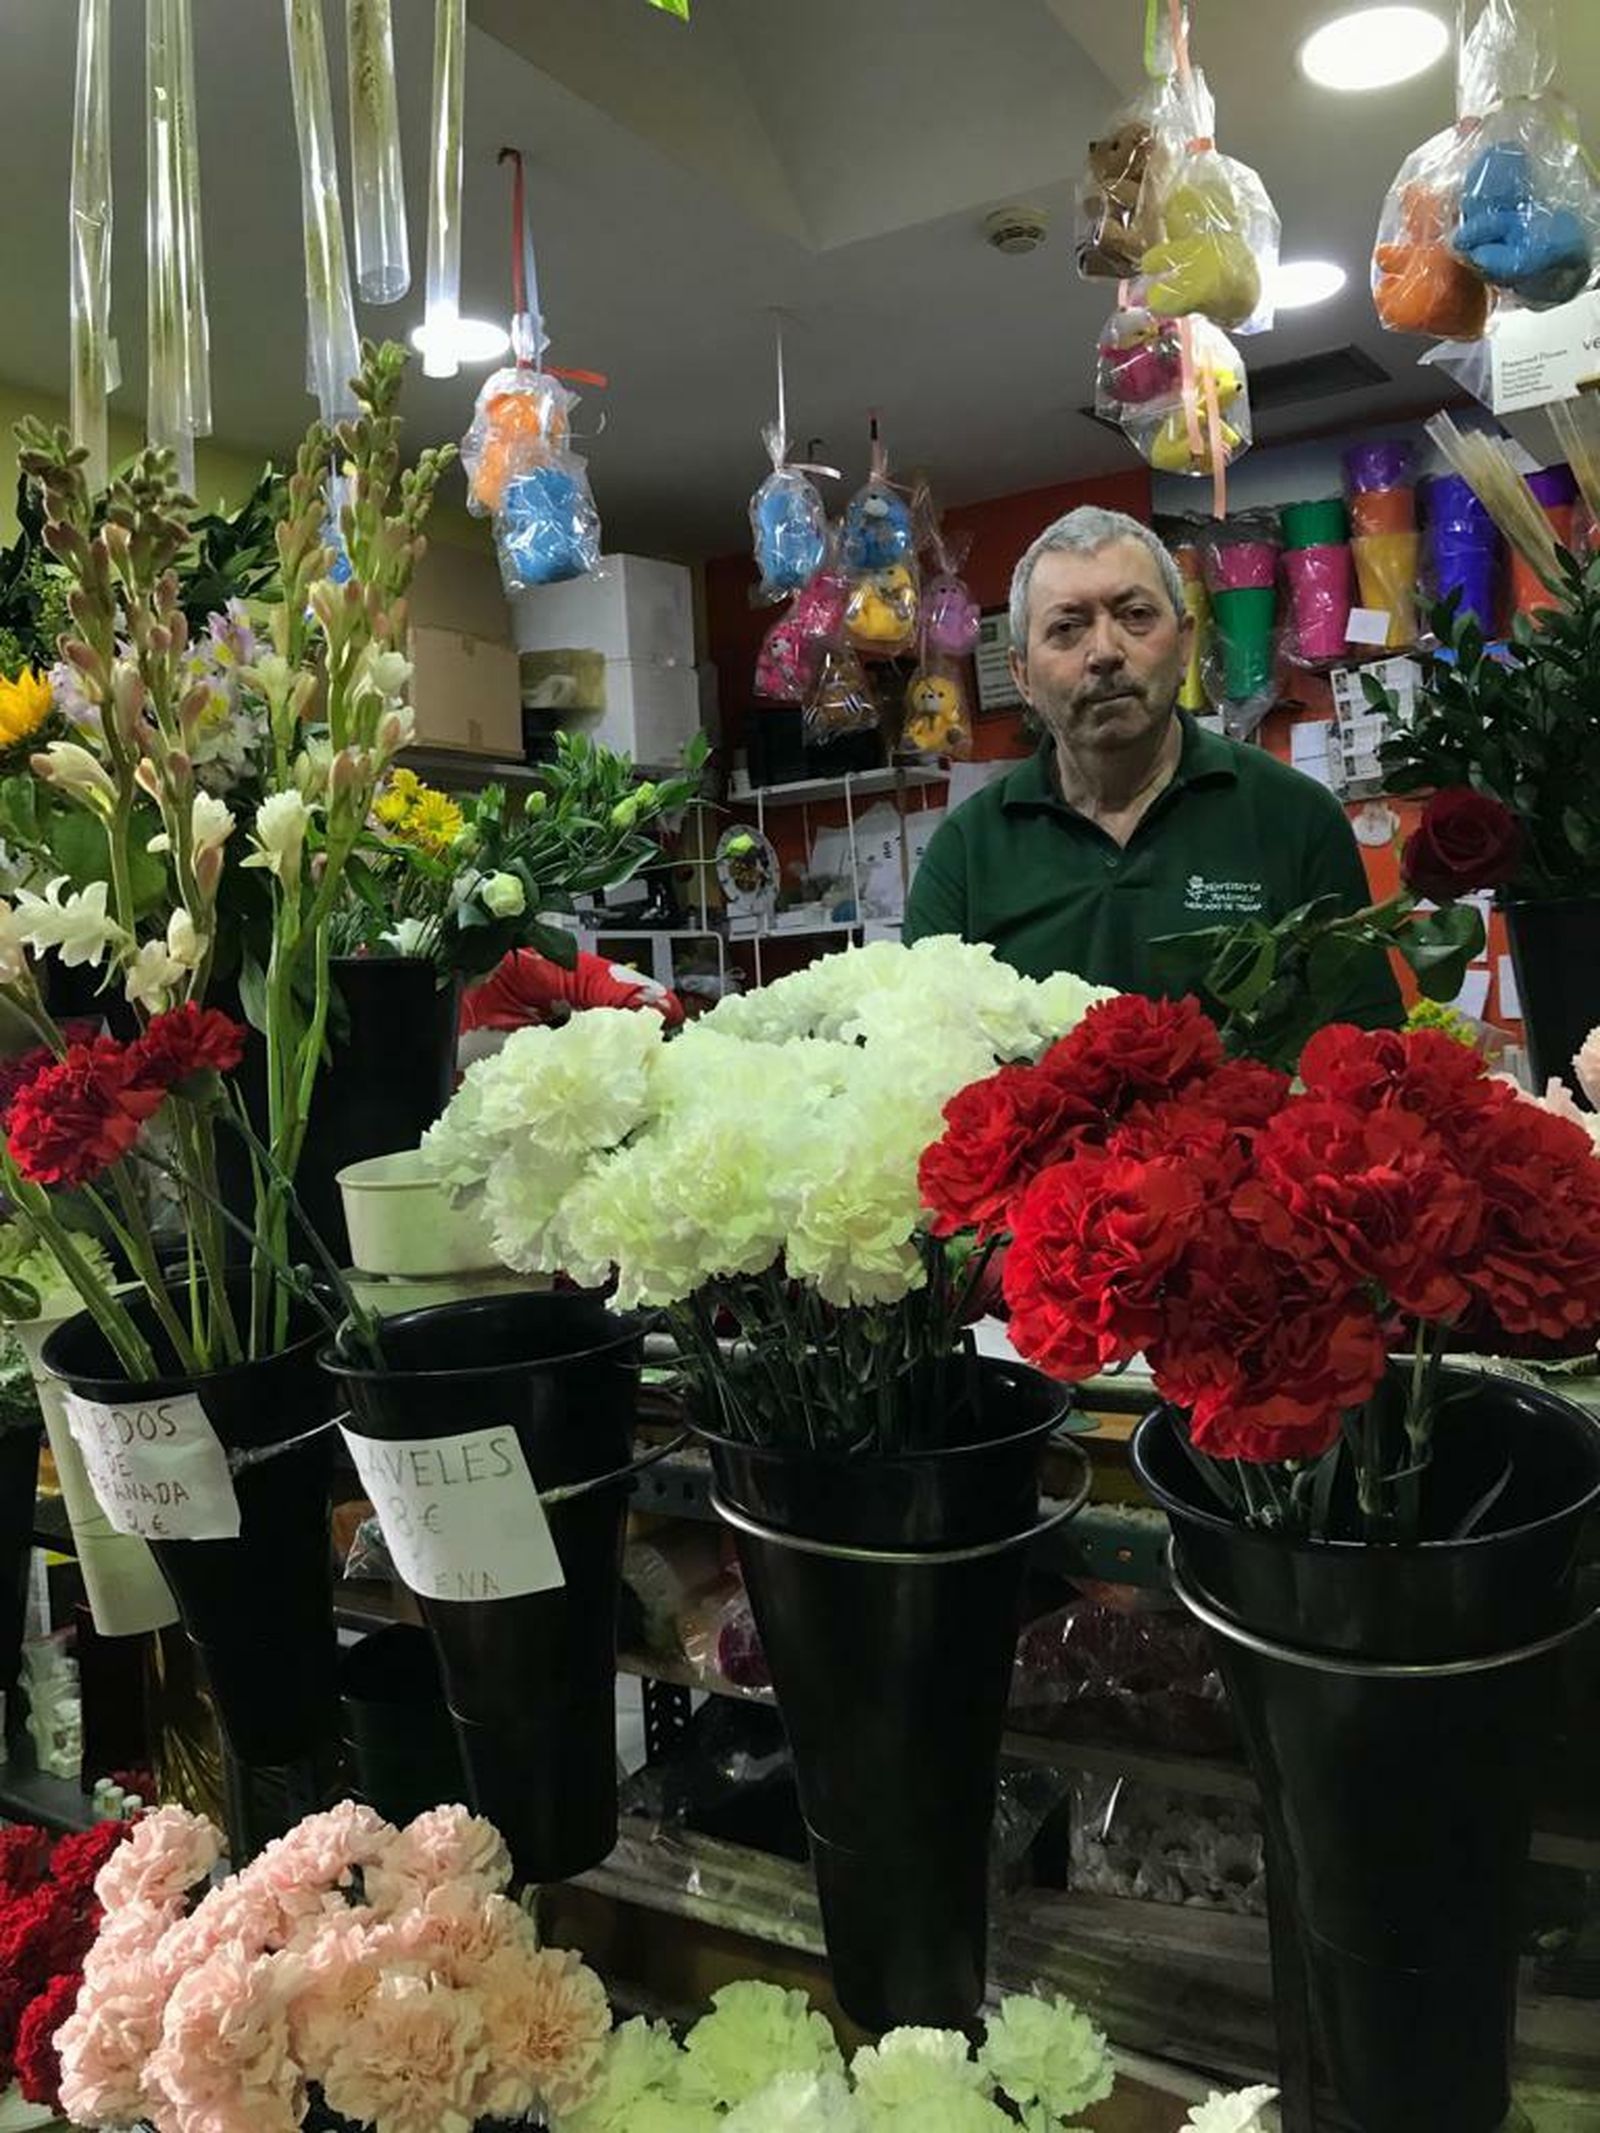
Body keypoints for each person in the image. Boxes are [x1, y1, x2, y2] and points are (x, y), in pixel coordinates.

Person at [903, 505, 1401, 1027]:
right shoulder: (966, 851)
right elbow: (919, 1057)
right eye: (1067, 627)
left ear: (1185, 643)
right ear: (1022, 674)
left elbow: (1362, 1056)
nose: (1105, 651)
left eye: (1135, 615)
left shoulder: (1296, 817)